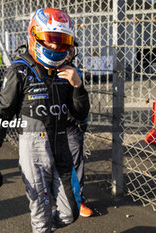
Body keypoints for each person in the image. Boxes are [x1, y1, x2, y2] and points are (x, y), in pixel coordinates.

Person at [0, 8, 90, 232]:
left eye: (61, 41)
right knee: (40, 212)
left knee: (70, 211)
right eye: (50, 40)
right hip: (33, 147)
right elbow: (1, 113)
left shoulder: (70, 72)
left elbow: (81, 114)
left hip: (62, 147)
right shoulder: (19, 71)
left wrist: (78, 86)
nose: (54, 46)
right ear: (35, 36)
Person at [65, 41, 93, 218]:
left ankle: (77, 200)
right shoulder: (42, 70)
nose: (68, 51)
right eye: (64, 46)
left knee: (76, 162)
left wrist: (83, 120)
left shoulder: (76, 71)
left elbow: (81, 100)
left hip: (70, 125)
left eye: (71, 48)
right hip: (48, 126)